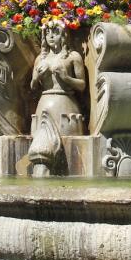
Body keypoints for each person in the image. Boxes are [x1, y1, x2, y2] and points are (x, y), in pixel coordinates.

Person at [27, 20, 86, 173]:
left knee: (67, 149)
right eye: (47, 33)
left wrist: (66, 78)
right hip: (44, 105)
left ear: (64, 35)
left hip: (66, 105)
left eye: (55, 33)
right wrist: (36, 77)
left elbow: (82, 85)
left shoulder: (73, 57)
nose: (51, 36)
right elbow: (33, 86)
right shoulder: (40, 59)